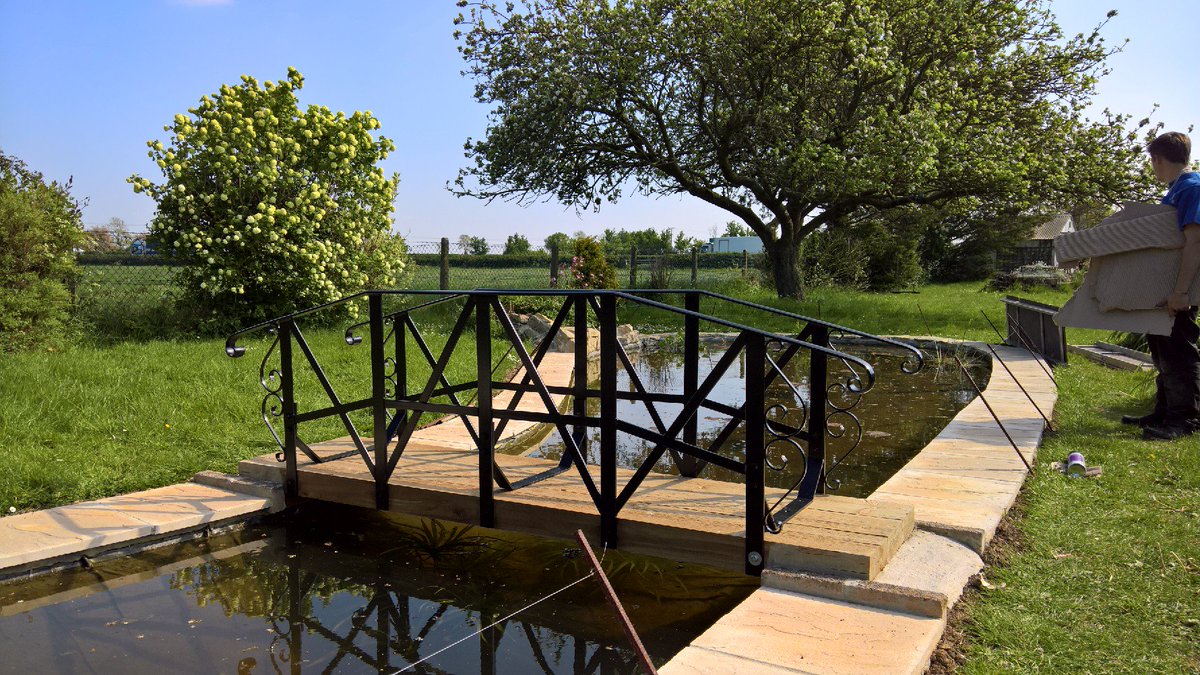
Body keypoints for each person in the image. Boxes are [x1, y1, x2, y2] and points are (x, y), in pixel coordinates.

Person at [1123, 131, 1200, 440]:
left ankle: (1185, 420)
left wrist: (1180, 292)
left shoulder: (1192, 188)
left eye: (1151, 161)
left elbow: (1195, 242)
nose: (1152, 167)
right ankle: (1164, 412)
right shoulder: (1176, 189)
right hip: (1166, 289)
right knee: (1162, 349)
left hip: (1182, 290)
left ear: (1157, 159)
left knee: (1179, 352)